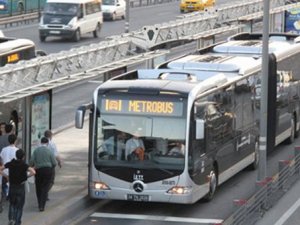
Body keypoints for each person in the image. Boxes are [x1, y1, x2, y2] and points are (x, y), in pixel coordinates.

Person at [0, 149, 35, 225]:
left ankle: (11, 219)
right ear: (23, 157)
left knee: (12, 204)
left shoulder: (10, 163)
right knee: (19, 206)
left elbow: (1, 169)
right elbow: (33, 172)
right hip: (20, 187)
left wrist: (7, 176)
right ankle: (17, 222)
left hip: (12, 187)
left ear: (16, 156)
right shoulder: (24, 165)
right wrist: (26, 176)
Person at [30, 137, 56, 212]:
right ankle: (42, 206)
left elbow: (31, 161)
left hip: (38, 170)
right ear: (47, 143)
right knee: (45, 188)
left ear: (41, 142)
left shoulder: (36, 150)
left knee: (38, 187)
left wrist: (31, 166)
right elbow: (54, 163)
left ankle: (39, 203)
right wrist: (51, 168)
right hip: (47, 170)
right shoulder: (49, 151)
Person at [44, 130, 62, 200]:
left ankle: (44, 192)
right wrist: (59, 162)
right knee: (51, 180)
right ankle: (45, 192)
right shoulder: (52, 144)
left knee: (43, 180)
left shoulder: (40, 143)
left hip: (41, 165)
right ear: (51, 136)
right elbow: (56, 155)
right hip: (50, 165)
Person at [0, 134, 19, 202]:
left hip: (4, 172)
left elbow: (1, 160)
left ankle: (4, 199)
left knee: (4, 187)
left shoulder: (4, 150)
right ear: (15, 141)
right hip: (13, 173)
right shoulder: (17, 150)